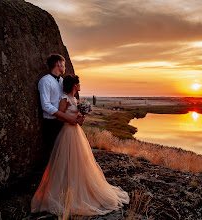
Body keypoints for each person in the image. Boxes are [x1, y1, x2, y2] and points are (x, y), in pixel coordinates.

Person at [31, 74, 130, 216]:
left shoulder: (75, 99)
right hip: (67, 134)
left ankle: (78, 188)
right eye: (78, 83)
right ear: (74, 85)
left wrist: (80, 118)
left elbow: (75, 118)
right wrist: (71, 119)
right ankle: (67, 192)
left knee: (81, 161)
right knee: (66, 162)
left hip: (76, 132)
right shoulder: (64, 99)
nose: (80, 85)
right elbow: (59, 116)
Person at [38, 54, 84, 164]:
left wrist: (75, 117)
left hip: (63, 123)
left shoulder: (62, 81)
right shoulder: (45, 81)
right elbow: (46, 106)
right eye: (63, 64)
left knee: (65, 155)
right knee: (53, 155)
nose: (65, 67)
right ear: (58, 64)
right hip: (51, 123)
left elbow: (67, 99)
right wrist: (68, 117)